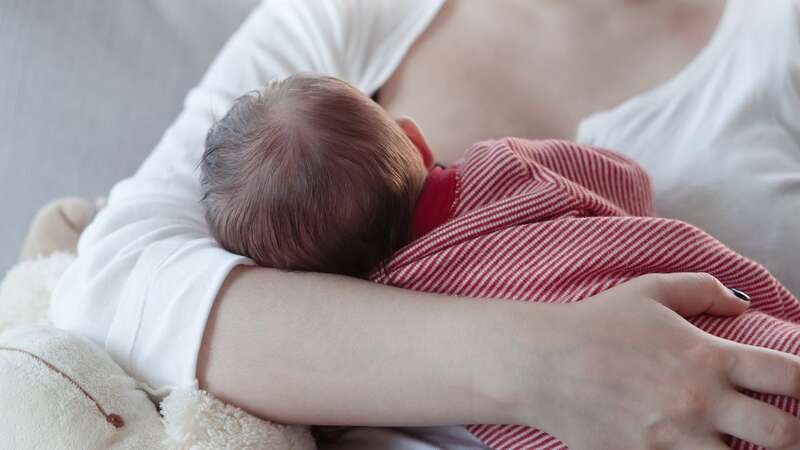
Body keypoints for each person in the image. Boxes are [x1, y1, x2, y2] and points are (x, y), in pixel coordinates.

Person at [50, 1, 800, 449]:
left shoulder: (773, 38)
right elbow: (113, 286)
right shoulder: (347, 16)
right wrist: (554, 368)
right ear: (413, 141)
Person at [200, 73, 800, 449]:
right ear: (414, 140)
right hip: (734, 334)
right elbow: (625, 181)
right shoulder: (503, 166)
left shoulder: (384, 324)